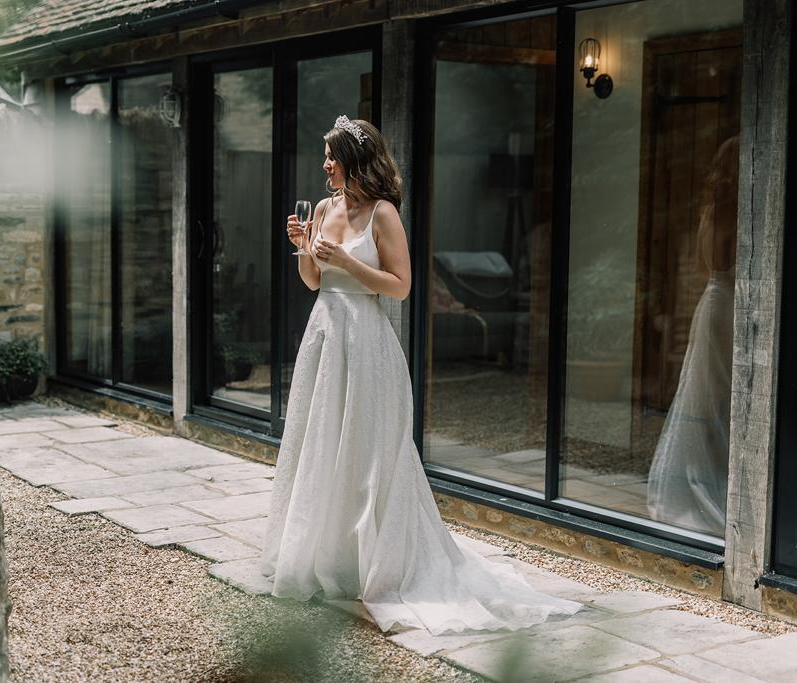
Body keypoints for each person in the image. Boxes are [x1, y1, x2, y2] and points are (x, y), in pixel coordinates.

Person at [259, 115, 581, 635]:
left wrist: (344, 256)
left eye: (331, 156)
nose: (324, 165)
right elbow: (314, 281)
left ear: (354, 160)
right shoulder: (322, 208)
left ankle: (380, 564)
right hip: (325, 337)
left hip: (367, 341)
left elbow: (400, 286)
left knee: (369, 451)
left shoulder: (383, 213)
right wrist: (304, 247)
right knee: (322, 442)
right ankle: (331, 558)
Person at [646, 134, 740, 537]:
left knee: (710, 396)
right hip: (728, 306)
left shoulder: (710, 208)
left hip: (713, 301)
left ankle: (714, 478)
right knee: (720, 399)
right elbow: (727, 262)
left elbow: (709, 267)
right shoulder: (730, 212)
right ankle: (712, 485)